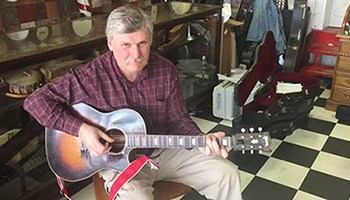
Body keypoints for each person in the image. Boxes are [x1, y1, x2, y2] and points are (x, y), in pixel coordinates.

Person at [23, 5, 242, 200]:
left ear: (151, 40)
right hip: (118, 162)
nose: (135, 54)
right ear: (110, 43)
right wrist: (82, 129)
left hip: (163, 150)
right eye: (126, 44)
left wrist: (200, 139)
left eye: (142, 43)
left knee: (226, 173)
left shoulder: (166, 71)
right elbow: (36, 101)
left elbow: (178, 120)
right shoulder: (89, 76)